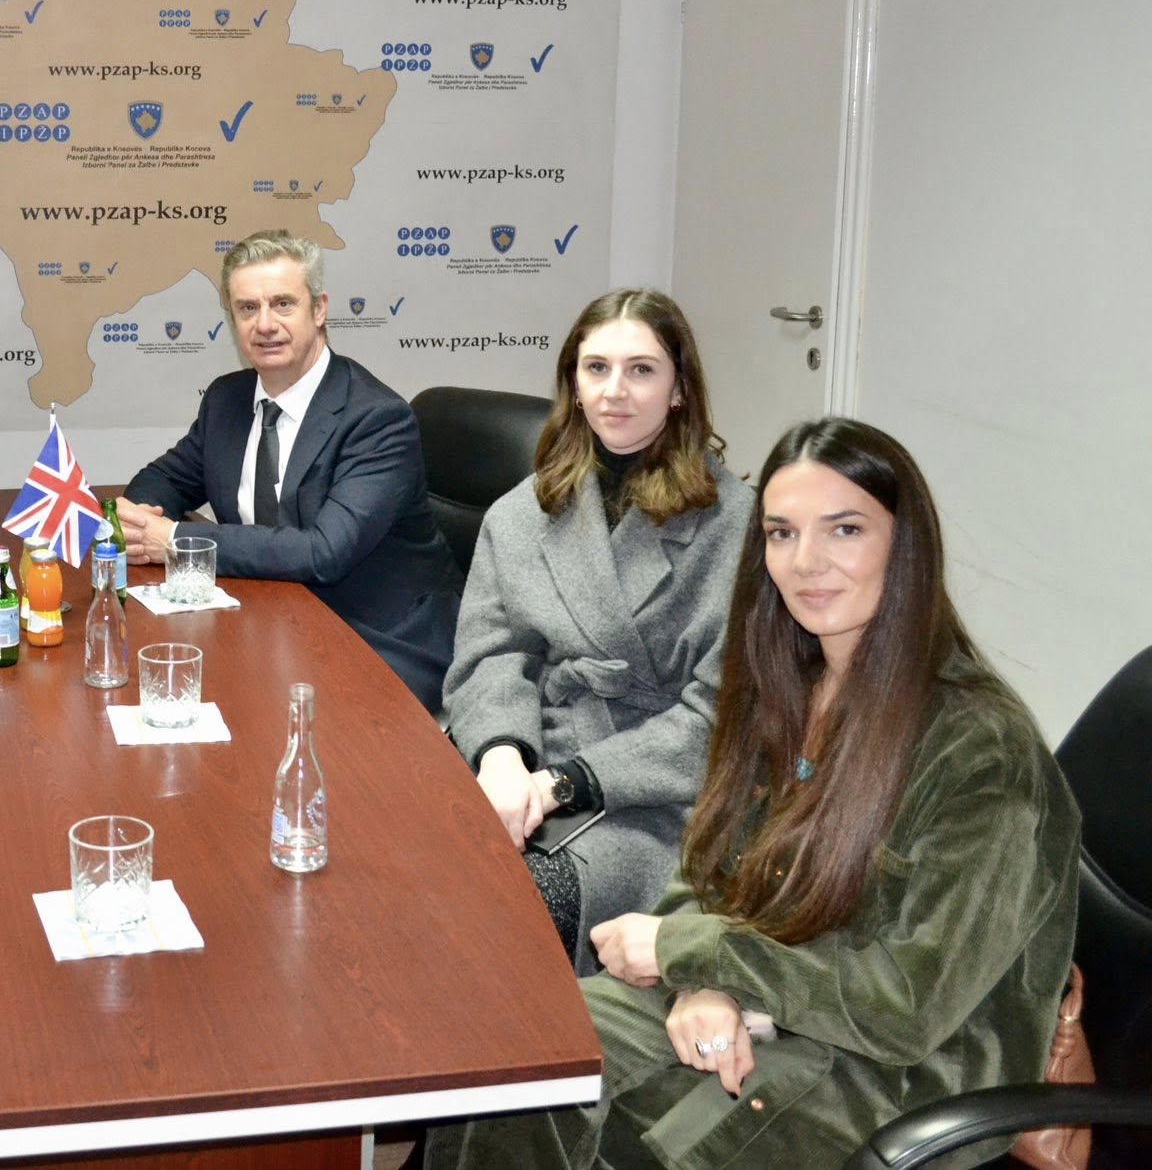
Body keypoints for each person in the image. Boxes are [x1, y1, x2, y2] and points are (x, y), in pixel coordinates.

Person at [427, 418, 1080, 1170]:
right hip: (772, 990)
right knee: (520, 1058)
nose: (807, 562)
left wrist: (694, 952)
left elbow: (907, 1008)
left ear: (907, 546)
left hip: (896, 1075)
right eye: (781, 533)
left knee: (643, 1139)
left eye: (844, 529)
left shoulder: (983, 752)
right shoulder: (791, 683)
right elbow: (709, 861)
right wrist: (702, 983)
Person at [442, 289, 753, 970]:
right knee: (395, 867)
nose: (615, 391)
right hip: (530, 751)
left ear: (679, 389)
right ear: (574, 386)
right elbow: (492, 655)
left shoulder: (737, 525)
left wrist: (563, 784)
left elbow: (720, 718)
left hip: (654, 794)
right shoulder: (521, 512)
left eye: (641, 370)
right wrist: (500, 757)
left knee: (499, 913)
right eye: (597, 368)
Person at [115, 230, 463, 710]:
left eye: (282, 304)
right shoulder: (227, 399)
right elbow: (167, 478)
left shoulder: (376, 419)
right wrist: (140, 519)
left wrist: (174, 539)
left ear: (318, 310)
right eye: (247, 308)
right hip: (268, 614)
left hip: (375, 635)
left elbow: (324, 552)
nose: (265, 325)